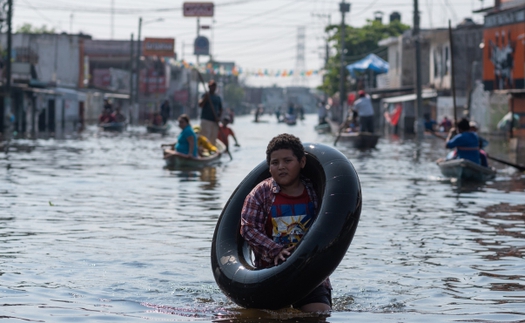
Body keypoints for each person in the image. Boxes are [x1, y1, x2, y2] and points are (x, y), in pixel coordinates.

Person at [240, 133, 332, 313]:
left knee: (318, 313)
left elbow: (329, 225)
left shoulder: (316, 191)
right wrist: (276, 250)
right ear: (269, 167)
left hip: (310, 273)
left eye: (287, 161)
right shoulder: (260, 194)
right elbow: (248, 228)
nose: (281, 167)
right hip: (271, 274)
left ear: (302, 163)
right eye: (275, 163)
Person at [198, 80, 223, 145]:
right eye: (211, 86)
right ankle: (202, 149)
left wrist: (219, 118)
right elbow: (200, 105)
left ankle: (212, 149)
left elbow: (221, 109)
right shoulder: (205, 95)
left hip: (214, 121)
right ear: (209, 87)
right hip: (206, 120)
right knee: (205, 137)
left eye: (214, 86)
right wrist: (206, 98)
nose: (213, 88)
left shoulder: (218, 97)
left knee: (213, 138)